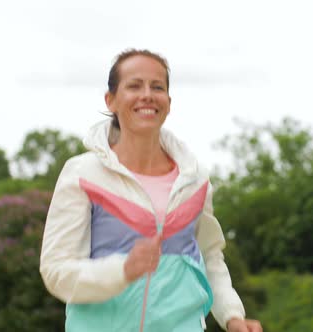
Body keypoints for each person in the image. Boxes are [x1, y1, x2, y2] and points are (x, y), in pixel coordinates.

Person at [39, 49, 263, 332]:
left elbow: (210, 258)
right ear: (111, 100)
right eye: (134, 86)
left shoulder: (195, 180)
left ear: (168, 102)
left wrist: (232, 316)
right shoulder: (83, 174)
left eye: (157, 87)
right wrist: (122, 270)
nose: (147, 95)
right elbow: (57, 271)